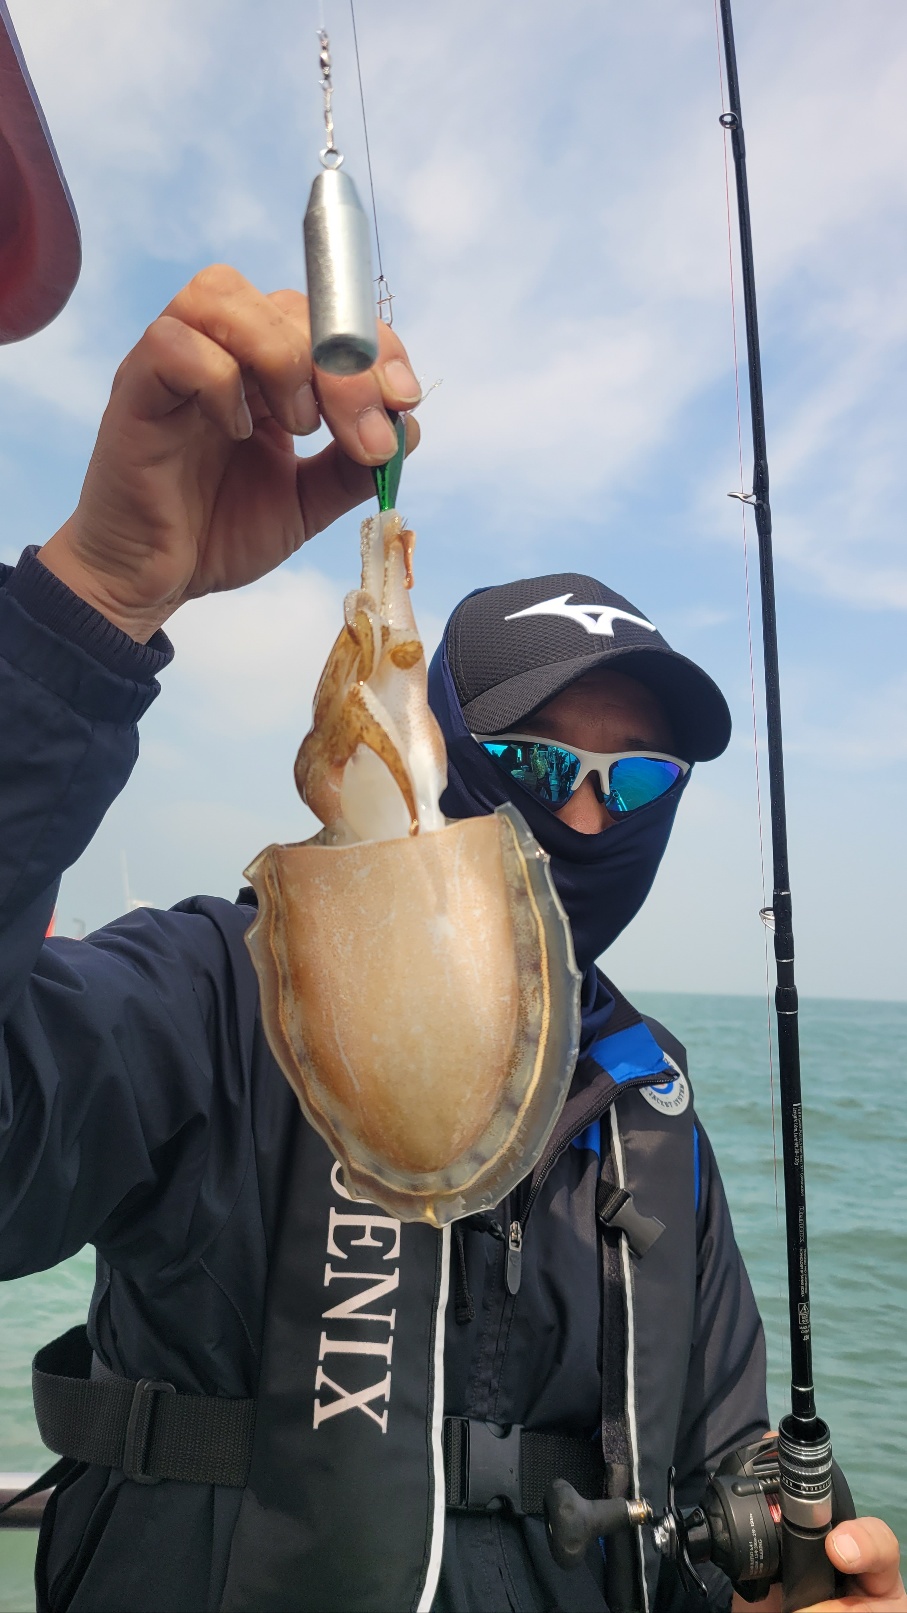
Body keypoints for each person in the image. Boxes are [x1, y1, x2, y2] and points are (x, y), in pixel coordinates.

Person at [0, 266, 902, 1613]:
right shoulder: (216, 998)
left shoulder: (646, 1106)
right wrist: (92, 606)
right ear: (444, 764)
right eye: (535, 760)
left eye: (639, 780)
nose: (588, 814)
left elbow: (711, 1487)